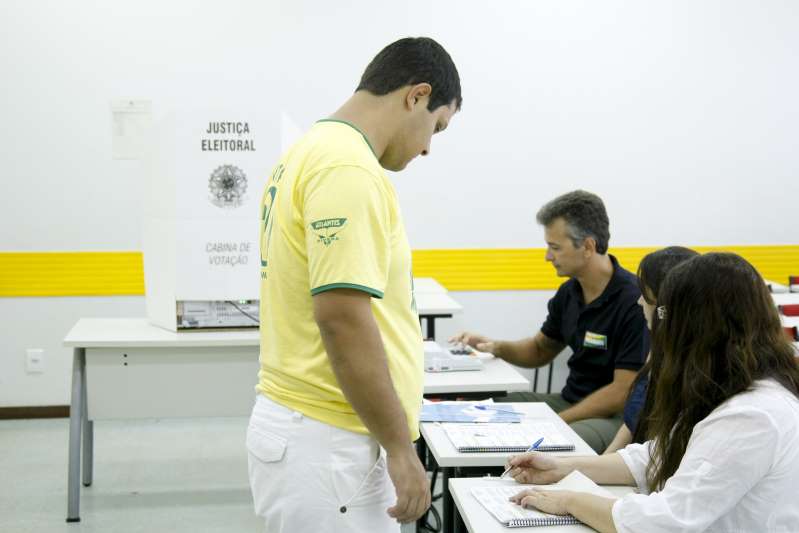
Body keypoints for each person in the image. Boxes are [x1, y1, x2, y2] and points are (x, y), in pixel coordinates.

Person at [246, 37, 462, 533]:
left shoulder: (307, 153)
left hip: (316, 431)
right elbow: (342, 321)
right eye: (437, 125)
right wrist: (400, 450)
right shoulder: (347, 168)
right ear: (416, 95)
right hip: (331, 440)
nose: (429, 146)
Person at [504, 253, 799, 532]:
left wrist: (569, 500)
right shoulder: (733, 388)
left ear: (690, 327)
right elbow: (655, 455)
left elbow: (666, 521)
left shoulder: (752, 416)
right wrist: (561, 468)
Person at [452, 190, 648, 452]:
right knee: (478, 414)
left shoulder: (633, 301)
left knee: (548, 444)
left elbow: (622, 391)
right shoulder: (569, 292)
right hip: (569, 403)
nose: (547, 256)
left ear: (588, 246)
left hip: (613, 417)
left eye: (555, 247)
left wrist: (556, 421)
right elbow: (540, 349)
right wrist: (494, 346)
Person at [603, 246, 699, 454]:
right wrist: (604, 459)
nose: (639, 302)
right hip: (637, 463)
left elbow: (660, 458)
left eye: (646, 297)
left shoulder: (696, 370)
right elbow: (632, 426)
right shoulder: (661, 345)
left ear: (666, 305)